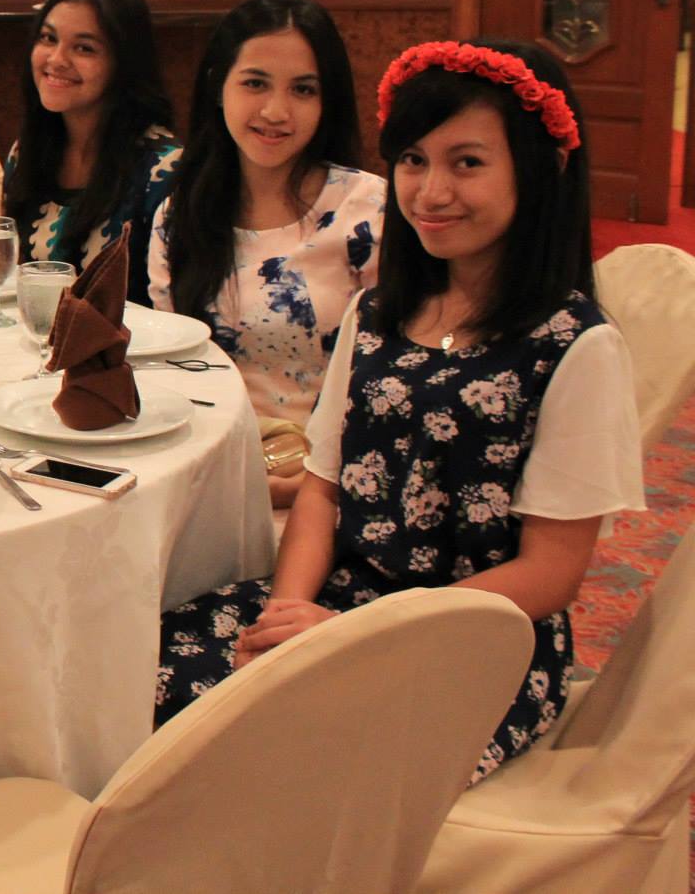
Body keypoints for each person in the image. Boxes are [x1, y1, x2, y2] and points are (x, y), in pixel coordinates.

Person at [154, 39, 645, 783]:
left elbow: (551, 573)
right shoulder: (379, 311)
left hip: (470, 644)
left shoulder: (574, 344)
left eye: (467, 162)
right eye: (414, 160)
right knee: (145, 667)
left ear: (539, 169)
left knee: (262, 750)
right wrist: (286, 615)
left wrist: (359, 636)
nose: (430, 191)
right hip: (340, 603)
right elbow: (324, 486)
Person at [148, 0, 385, 508]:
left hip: (331, 490)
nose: (276, 111)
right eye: (255, 83)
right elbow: (173, 372)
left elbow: (388, 383)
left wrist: (304, 487)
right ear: (219, 86)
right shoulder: (179, 216)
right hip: (208, 477)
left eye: (303, 89)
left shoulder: (368, 211)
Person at [3, 0, 180, 305]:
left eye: (84, 48)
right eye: (48, 38)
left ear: (124, 64)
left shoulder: (163, 169)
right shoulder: (28, 152)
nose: (56, 59)